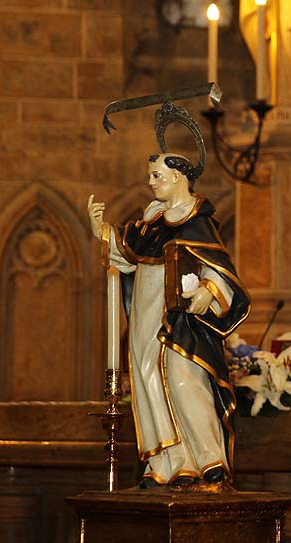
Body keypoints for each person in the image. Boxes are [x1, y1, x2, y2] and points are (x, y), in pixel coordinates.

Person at [87, 153, 250, 489]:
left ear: (178, 176)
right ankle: (167, 464)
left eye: (157, 175)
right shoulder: (151, 218)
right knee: (149, 384)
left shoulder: (197, 219)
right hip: (147, 316)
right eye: (150, 175)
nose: (151, 182)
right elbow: (127, 257)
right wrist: (100, 232)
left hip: (182, 320)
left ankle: (209, 460)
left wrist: (209, 290)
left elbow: (217, 268)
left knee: (183, 381)